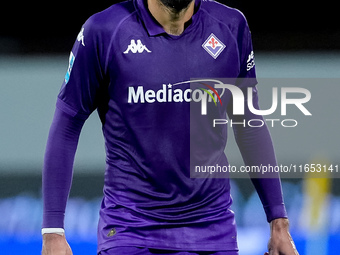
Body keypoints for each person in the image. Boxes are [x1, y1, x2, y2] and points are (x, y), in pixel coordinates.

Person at [41, 0, 299, 254]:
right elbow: (67, 124)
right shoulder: (105, 30)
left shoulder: (231, 27)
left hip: (213, 231)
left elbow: (249, 125)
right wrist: (53, 231)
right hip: (131, 232)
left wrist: (279, 221)